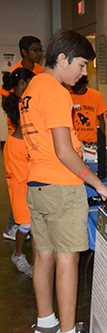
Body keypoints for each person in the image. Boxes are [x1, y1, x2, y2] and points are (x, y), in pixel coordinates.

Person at [20, 29, 107, 333]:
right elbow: (64, 151)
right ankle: (67, 330)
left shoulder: (33, 87)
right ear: (62, 59)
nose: (83, 72)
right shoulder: (57, 92)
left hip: (37, 186)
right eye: (82, 65)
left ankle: (46, 322)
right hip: (62, 187)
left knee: (43, 255)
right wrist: (98, 184)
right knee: (67, 261)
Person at [2, 35, 45, 241]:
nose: (39, 53)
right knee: (21, 184)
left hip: (33, 132)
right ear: (24, 52)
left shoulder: (42, 73)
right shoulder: (15, 74)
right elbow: (8, 102)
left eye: (40, 50)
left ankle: (23, 224)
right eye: (35, 50)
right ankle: (15, 225)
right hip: (19, 133)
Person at [2, 68, 36, 277]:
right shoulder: (13, 145)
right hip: (21, 190)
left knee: (32, 224)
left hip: (30, 188)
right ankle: (18, 254)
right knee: (25, 223)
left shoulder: (26, 139)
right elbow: (24, 174)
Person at [70, 75, 107, 145]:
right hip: (76, 141)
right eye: (74, 89)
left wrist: (102, 142)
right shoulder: (69, 96)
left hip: (93, 142)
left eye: (78, 89)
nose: (76, 92)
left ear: (84, 86)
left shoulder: (96, 96)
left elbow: (101, 121)